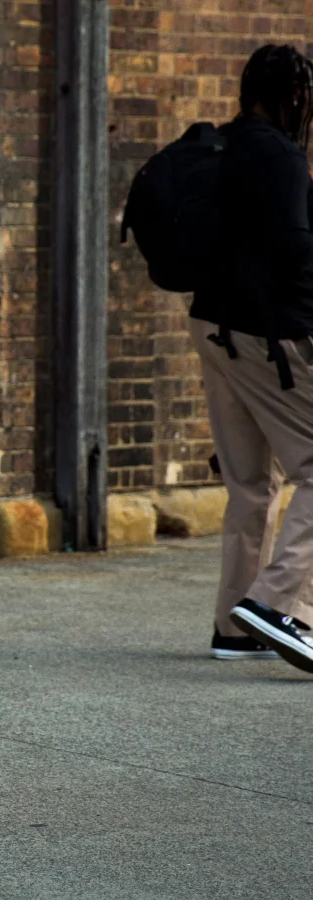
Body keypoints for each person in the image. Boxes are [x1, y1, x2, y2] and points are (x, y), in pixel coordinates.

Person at [190, 44, 313, 672]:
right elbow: (296, 252)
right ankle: (275, 604)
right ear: (291, 97)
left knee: (249, 483)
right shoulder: (281, 157)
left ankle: (233, 628)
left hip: (213, 327)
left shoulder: (224, 146)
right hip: (269, 338)